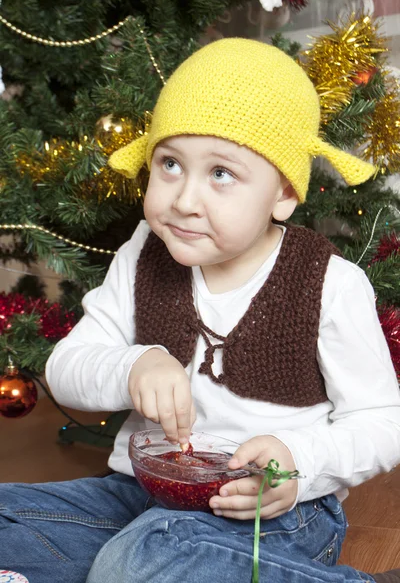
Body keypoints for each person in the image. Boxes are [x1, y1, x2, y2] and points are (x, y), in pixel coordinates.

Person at [1, 38, 399, 583]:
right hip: (137, 497)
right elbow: (66, 369)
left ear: (283, 191)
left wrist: (296, 464)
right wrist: (134, 364)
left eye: (221, 174)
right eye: (169, 163)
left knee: (142, 558)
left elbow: (381, 422)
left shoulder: (327, 282)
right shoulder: (142, 254)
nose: (185, 198)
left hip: (273, 512)